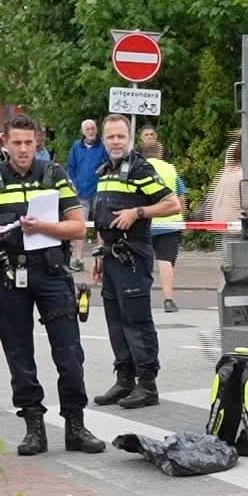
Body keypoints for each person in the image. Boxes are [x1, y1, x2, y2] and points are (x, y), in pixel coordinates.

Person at [0, 114, 107, 456]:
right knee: (19, 356)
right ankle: (34, 427)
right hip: (9, 276)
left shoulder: (54, 175)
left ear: (37, 143)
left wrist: (43, 228)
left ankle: (75, 426)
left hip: (51, 273)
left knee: (69, 353)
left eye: (28, 143)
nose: (22, 150)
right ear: (5, 144)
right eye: (16, 143)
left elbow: (78, 228)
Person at [90, 114, 181, 409]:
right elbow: (104, 218)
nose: (115, 142)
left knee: (136, 321)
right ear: (103, 141)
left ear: (129, 139)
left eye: (120, 137)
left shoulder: (140, 169)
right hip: (112, 256)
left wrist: (138, 213)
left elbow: (172, 203)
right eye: (110, 137)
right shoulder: (104, 172)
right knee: (115, 321)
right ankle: (125, 380)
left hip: (132, 256)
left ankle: (147, 384)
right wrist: (99, 253)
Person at [139, 130, 187, 313]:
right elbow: (181, 196)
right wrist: (182, 218)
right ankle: (168, 300)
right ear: (160, 153)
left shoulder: (139, 168)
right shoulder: (170, 169)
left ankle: (141, 299)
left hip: (146, 221)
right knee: (166, 261)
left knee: (143, 261)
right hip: (170, 222)